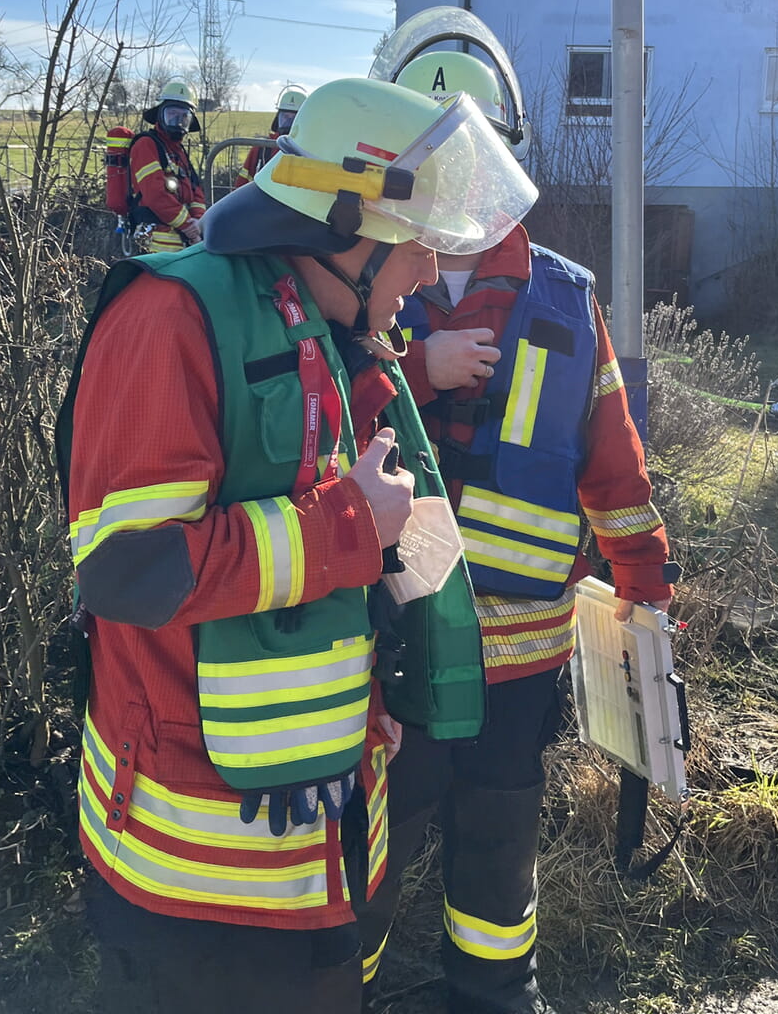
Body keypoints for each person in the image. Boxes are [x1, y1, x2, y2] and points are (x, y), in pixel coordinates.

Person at [54, 76, 538, 1014]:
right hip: (198, 891)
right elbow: (131, 568)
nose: (427, 274)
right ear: (342, 225)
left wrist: (361, 700)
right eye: (416, 244)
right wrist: (349, 525)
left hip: (317, 854)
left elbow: (302, 591)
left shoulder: (322, 327)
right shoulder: (169, 320)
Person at [359, 17, 678, 1014]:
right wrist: (418, 366)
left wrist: (647, 593)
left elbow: (615, 469)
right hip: (393, 656)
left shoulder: (566, 301)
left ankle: (497, 995)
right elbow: (310, 440)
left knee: (498, 861)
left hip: (519, 666)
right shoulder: (359, 284)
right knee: (368, 856)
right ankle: (336, 991)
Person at [130, 79, 207, 252]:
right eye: (172, 114)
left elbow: (196, 192)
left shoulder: (178, 152)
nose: (177, 121)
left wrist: (198, 222)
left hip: (184, 243)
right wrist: (188, 225)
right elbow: (155, 194)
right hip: (155, 244)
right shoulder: (146, 145)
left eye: (184, 117)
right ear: (160, 115)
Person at [233, 83, 307, 188]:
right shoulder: (261, 148)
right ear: (277, 118)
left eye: (294, 119)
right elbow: (241, 185)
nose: (288, 123)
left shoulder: (309, 150)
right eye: (285, 117)